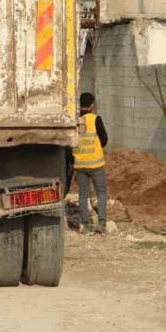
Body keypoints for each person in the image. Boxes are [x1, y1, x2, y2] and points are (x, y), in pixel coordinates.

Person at [71, 92, 109, 234]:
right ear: (92, 105)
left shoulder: (75, 121)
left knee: (83, 195)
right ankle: (102, 224)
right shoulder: (96, 119)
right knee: (101, 193)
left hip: (80, 164)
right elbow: (104, 139)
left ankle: (86, 226)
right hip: (96, 164)